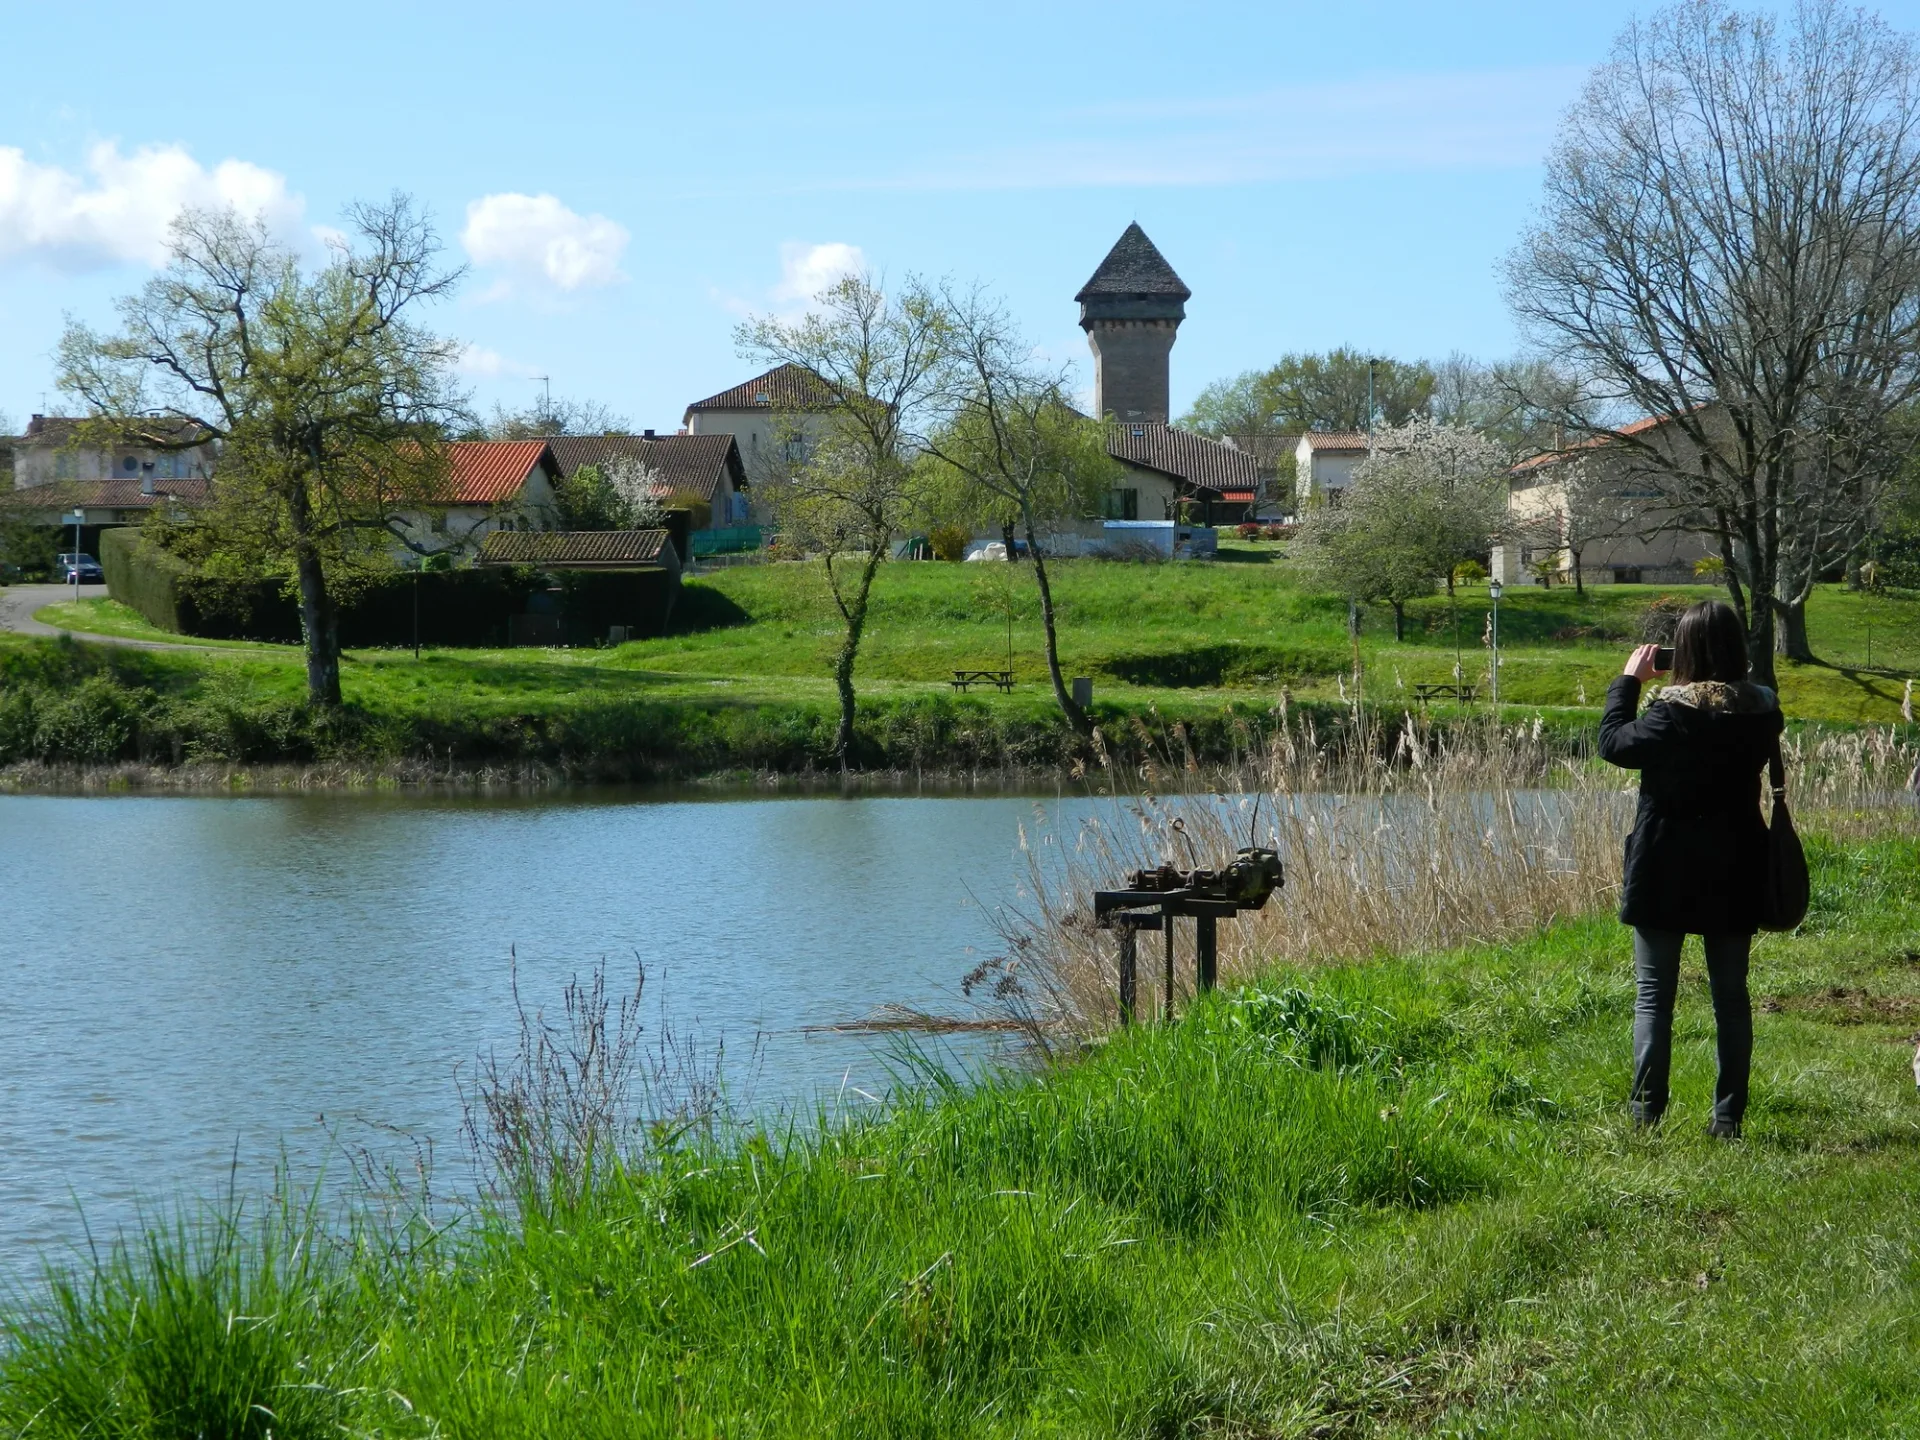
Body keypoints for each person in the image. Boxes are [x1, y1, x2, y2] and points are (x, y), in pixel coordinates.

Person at [1600, 600, 1785, 1137]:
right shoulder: (1761, 712)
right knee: (1731, 994)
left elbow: (1613, 744)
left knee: (1655, 994)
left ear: (1685, 651)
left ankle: (1645, 1116)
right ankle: (1727, 1119)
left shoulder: (1671, 714)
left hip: (1665, 864)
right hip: (1736, 861)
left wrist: (1628, 682)